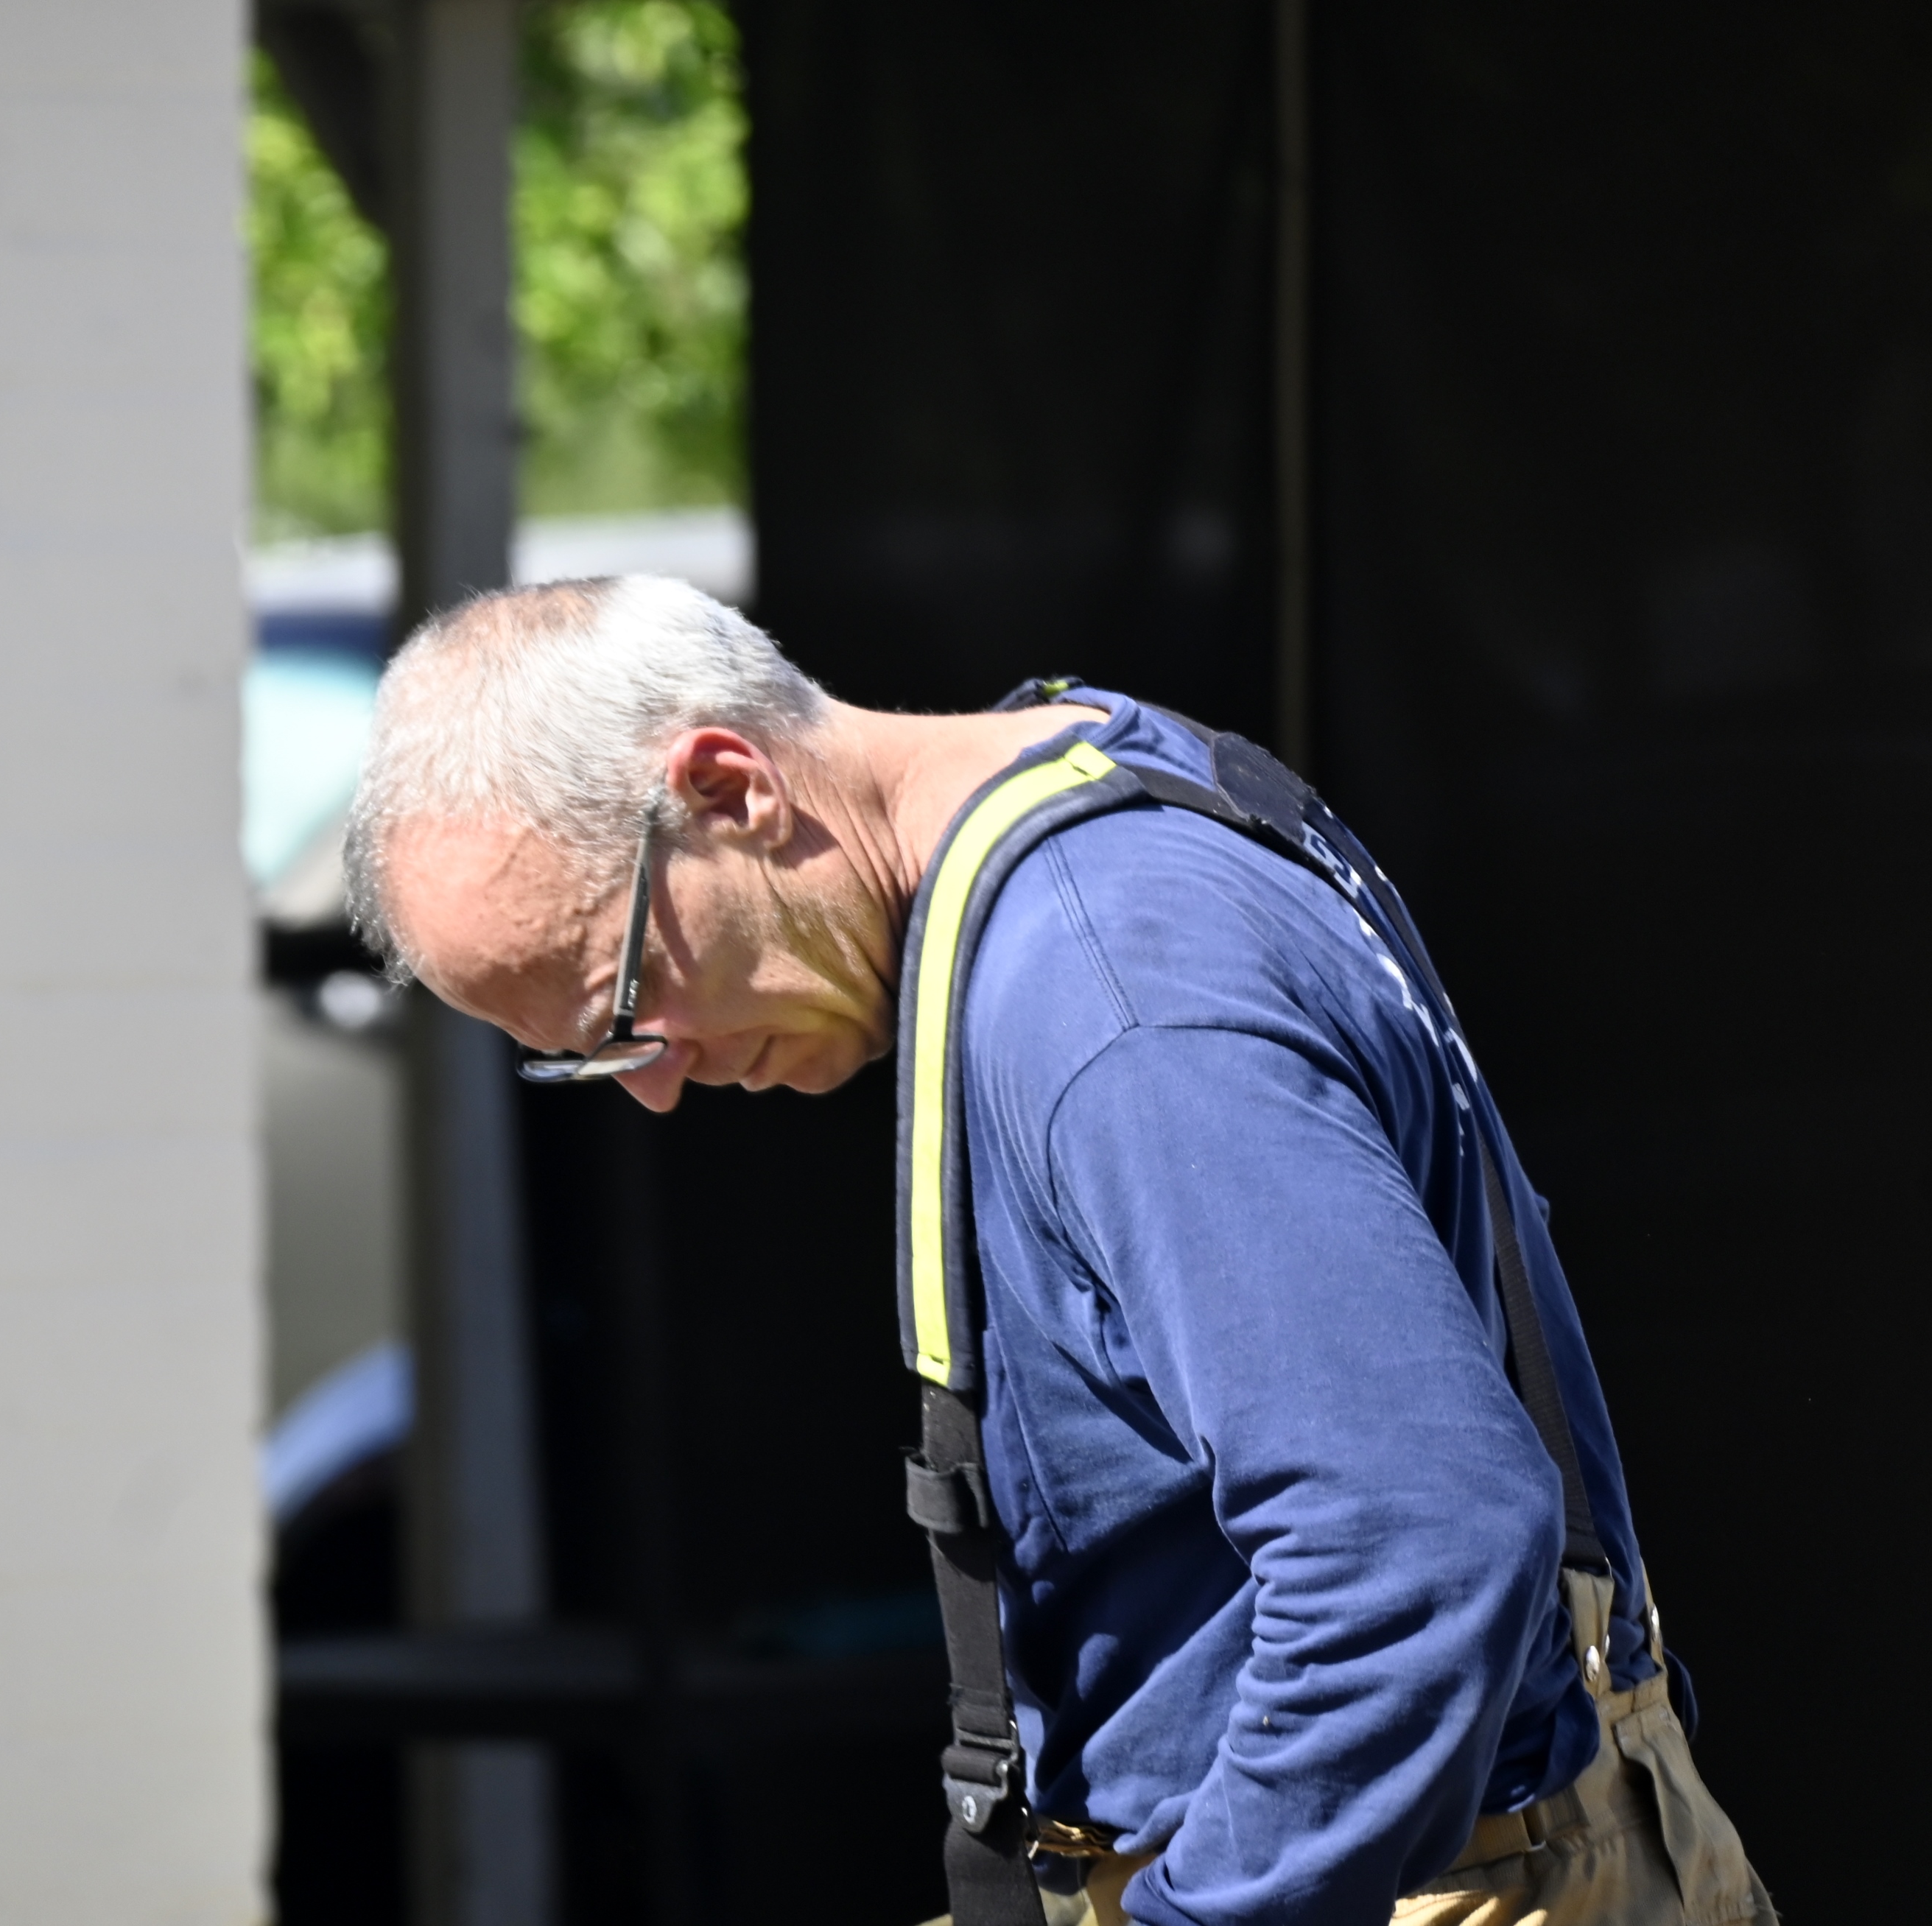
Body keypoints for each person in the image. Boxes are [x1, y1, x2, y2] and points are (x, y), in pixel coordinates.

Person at [345, 574, 1775, 1926]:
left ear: (730, 788)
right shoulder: (1088, 777)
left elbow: (1414, 1543)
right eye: (588, 1063)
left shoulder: (1107, 984)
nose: (655, 1086)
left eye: (625, 1003)